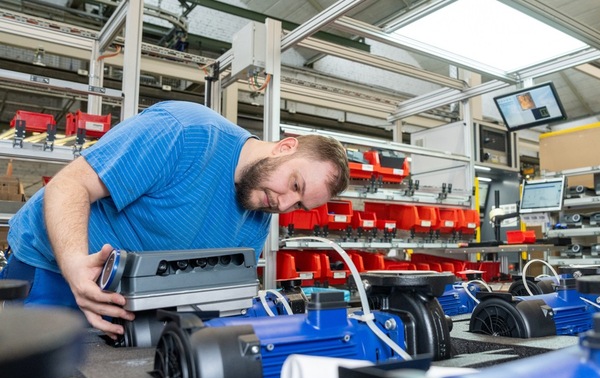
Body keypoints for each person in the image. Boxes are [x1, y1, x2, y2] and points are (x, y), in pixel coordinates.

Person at [0, 100, 349, 339]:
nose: (284, 204)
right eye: (295, 185)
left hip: (131, 301)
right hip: (53, 271)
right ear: (285, 147)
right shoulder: (184, 132)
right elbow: (70, 185)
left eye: (299, 204)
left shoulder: (260, 209)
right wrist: (75, 265)